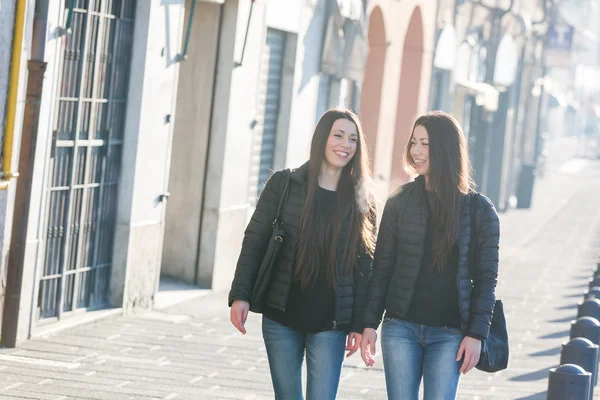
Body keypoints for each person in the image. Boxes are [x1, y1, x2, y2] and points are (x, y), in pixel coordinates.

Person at [228, 109, 377, 400]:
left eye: (353, 139)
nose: (345, 145)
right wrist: (240, 294)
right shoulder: (284, 184)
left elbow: (365, 267)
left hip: (331, 321)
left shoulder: (363, 199)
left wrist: (360, 323)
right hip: (281, 313)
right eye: (338, 135)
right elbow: (255, 239)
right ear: (322, 137)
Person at [360, 111, 500, 400]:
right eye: (414, 142)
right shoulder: (401, 200)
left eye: (425, 143)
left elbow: (486, 279)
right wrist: (369, 324)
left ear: (446, 148)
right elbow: (382, 268)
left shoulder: (479, 210)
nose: (416, 151)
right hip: (401, 327)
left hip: (450, 333)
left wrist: (476, 334)